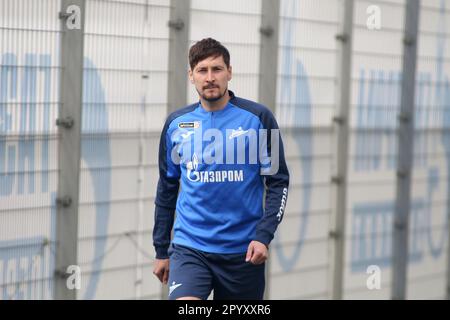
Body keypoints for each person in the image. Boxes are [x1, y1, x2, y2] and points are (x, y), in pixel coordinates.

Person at [152, 38, 289, 300]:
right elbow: (167, 188)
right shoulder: (176, 124)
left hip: (244, 251)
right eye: (202, 70)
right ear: (191, 76)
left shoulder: (259, 118)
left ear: (229, 72)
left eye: (217, 69)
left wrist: (264, 236)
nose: (210, 77)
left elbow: (278, 182)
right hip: (190, 247)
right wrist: (161, 249)